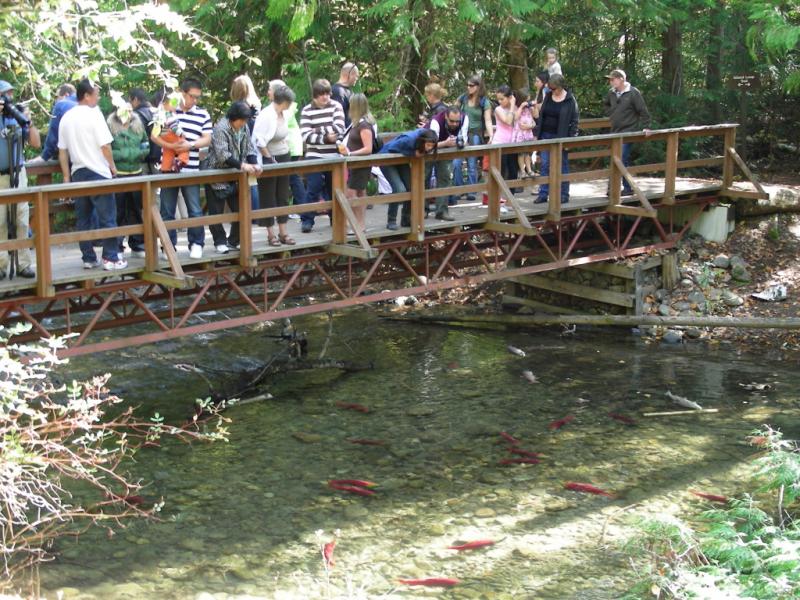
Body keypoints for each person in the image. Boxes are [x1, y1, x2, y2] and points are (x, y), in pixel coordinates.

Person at [57, 78, 126, 271]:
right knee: (108, 217)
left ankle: (88, 257)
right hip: (98, 172)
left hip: (78, 172)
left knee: (83, 218)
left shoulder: (66, 118)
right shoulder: (94, 115)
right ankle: (111, 257)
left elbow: (62, 151)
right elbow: (105, 145)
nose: (98, 97)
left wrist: (65, 177)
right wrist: (112, 166)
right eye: (95, 94)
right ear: (86, 96)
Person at [152, 78, 212, 259]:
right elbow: (154, 135)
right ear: (182, 94)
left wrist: (190, 145)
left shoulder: (203, 114)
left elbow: (207, 138)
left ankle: (197, 243)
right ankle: (168, 246)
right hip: (168, 168)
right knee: (167, 209)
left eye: (197, 97)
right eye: (192, 96)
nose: (195, 100)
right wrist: (169, 146)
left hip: (191, 167)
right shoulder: (167, 111)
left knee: (194, 207)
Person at [201, 101, 261, 254]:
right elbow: (222, 155)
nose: (244, 123)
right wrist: (243, 165)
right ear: (234, 118)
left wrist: (255, 164)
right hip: (216, 173)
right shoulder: (221, 128)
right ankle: (219, 242)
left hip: (235, 175)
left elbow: (249, 147)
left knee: (241, 208)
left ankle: (234, 240)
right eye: (242, 120)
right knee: (216, 211)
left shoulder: (244, 127)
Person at [0, 79, 41, 280]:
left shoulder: (15, 117)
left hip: (18, 173)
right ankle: (1, 264)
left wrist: (28, 121)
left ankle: (24, 264)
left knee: (22, 219)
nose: (8, 99)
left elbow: (35, 142)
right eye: (4, 95)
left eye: (10, 94)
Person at [298, 79, 345, 233]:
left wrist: (317, 130)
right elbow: (305, 135)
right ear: (314, 96)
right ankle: (307, 219)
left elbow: (339, 129)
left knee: (334, 188)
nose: (325, 97)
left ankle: (335, 218)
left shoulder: (336, 106)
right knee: (314, 186)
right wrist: (325, 137)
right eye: (321, 95)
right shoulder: (306, 111)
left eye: (327, 94)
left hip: (333, 155)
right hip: (314, 155)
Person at [253, 85, 296, 247]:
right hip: (269, 158)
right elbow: (259, 140)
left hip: (284, 156)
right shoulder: (266, 115)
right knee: (268, 196)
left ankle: (283, 231)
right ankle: (271, 234)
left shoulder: (285, 113)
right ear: (283, 101)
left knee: (283, 195)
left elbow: (284, 134)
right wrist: (269, 158)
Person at [107, 103, 148, 257]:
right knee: (118, 211)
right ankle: (117, 245)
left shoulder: (138, 126)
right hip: (119, 174)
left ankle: (137, 244)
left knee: (136, 210)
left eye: (131, 110)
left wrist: (139, 154)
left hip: (136, 172)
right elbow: (107, 149)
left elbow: (146, 145)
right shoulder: (109, 127)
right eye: (126, 110)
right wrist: (123, 155)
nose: (129, 113)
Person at [378, 128, 438, 230]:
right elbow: (392, 148)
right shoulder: (408, 140)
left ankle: (406, 219)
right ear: (422, 141)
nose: (429, 148)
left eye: (432, 146)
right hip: (387, 159)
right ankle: (391, 220)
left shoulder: (427, 136)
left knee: (412, 187)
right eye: (428, 145)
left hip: (402, 161)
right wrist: (413, 153)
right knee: (399, 189)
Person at [603, 69, 652, 196]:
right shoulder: (611, 93)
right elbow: (606, 105)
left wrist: (647, 127)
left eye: (613, 79)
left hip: (628, 131)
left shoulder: (633, 93)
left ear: (621, 79)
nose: (610, 82)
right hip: (615, 132)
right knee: (615, 158)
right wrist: (612, 113)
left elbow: (643, 111)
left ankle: (625, 188)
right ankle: (614, 188)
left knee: (621, 157)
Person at [532, 74, 579, 204]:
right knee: (545, 165)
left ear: (560, 87)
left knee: (562, 165)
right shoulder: (548, 96)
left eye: (554, 89)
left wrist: (571, 139)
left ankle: (564, 194)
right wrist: (537, 134)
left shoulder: (570, 100)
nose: (552, 91)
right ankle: (543, 194)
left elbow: (575, 121)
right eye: (550, 89)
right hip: (546, 135)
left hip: (561, 137)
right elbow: (541, 116)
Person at [336, 93, 375, 233]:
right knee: (359, 192)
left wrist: (350, 154)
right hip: (355, 165)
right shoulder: (356, 123)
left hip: (361, 165)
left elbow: (368, 148)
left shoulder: (364, 125)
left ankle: (358, 224)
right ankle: (359, 224)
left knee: (351, 194)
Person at [269, 79, 305, 218]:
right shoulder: (283, 108)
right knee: (292, 177)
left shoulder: (286, 109)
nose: (268, 92)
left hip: (291, 146)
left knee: (293, 178)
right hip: (291, 145)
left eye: (270, 89)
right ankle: (298, 208)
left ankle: (301, 208)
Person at [453, 75, 493, 202]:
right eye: (468, 85)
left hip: (475, 134)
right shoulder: (463, 98)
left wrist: (491, 135)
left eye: (471, 85)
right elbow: (452, 111)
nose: (468, 87)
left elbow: (487, 120)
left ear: (478, 87)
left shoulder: (484, 101)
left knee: (471, 163)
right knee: (456, 163)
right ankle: (459, 189)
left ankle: (471, 190)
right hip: (461, 133)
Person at [425, 105, 468, 220]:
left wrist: (460, 143)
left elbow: (463, 138)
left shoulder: (464, 119)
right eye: (451, 121)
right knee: (424, 178)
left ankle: (442, 211)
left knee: (445, 178)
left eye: (456, 122)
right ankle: (422, 210)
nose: (454, 124)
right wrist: (445, 143)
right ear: (445, 117)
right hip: (427, 150)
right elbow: (430, 145)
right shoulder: (435, 122)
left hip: (445, 151)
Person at [229, 74, 262, 210]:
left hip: (246, 146)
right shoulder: (257, 105)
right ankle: (254, 212)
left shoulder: (240, 109)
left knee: (249, 180)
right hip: (257, 146)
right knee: (252, 181)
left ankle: (249, 212)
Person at [34, 83, 75, 163]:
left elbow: (54, 134)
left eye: (57, 97)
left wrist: (45, 156)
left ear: (66, 95)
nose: (56, 100)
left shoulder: (62, 104)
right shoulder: (89, 105)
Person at [491, 85, 519, 189]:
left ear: (509, 97)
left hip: (512, 142)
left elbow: (518, 120)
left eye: (502, 99)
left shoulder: (515, 108)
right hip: (499, 143)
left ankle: (510, 199)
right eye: (498, 99)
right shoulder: (498, 109)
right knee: (501, 171)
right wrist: (512, 107)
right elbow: (507, 121)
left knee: (513, 171)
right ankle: (498, 197)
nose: (499, 101)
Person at [128, 88, 160, 174]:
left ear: (135, 99)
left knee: (144, 184)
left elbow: (135, 137)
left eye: (130, 101)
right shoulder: (156, 112)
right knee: (160, 184)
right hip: (158, 154)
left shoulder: (135, 115)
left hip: (143, 158)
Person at [512, 88, 535, 177]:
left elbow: (535, 116)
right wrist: (521, 107)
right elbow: (516, 118)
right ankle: (522, 171)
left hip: (528, 134)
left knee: (528, 153)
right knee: (521, 154)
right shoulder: (516, 107)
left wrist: (534, 106)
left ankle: (529, 170)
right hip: (520, 134)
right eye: (526, 100)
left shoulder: (529, 108)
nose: (527, 102)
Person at [331, 62, 359, 128]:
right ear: (350, 74)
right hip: (344, 135)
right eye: (356, 76)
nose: (357, 79)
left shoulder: (349, 91)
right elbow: (338, 117)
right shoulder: (337, 92)